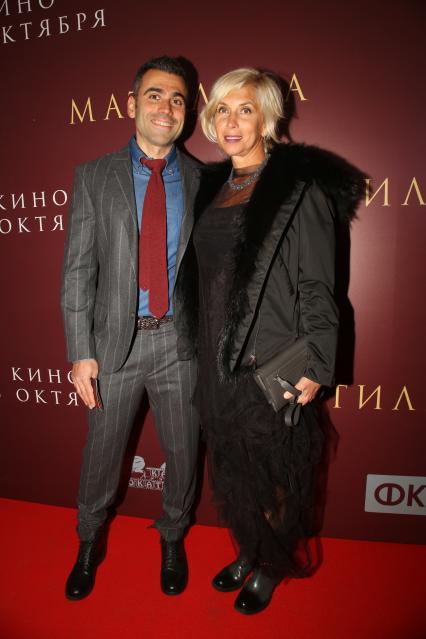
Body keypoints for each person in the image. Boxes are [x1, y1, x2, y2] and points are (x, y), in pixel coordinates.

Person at [176, 68, 364, 614]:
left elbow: (319, 286)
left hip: (270, 357)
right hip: (215, 358)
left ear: (267, 119)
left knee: (275, 471)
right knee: (234, 468)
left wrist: (316, 362)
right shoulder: (210, 187)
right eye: (222, 110)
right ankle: (248, 547)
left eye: (246, 109)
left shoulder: (299, 190)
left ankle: (270, 562)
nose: (232, 121)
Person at [61, 56, 201, 601]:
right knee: (102, 455)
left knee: (184, 453)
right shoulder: (94, 176)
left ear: (187, 113)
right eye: (155, 95)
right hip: (114, 345)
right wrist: (81, 351)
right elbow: (78, 270)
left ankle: (173, 536)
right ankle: (88, 541)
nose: (166, 107)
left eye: (177, 99)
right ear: (132, 103)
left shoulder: (203, 179)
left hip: (180, 344)